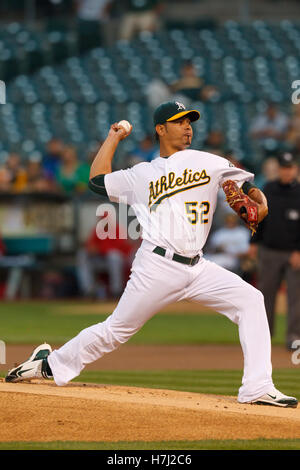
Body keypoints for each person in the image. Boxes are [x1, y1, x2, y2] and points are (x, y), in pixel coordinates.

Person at [5, 101, 297, 408]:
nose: (187, 127)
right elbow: (95, 180)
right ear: (160, 129)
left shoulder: (209, 161)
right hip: (157, 266)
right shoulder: (141, 174)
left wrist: (259, 201)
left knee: (251, 300)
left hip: (198, 267)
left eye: (190, 121)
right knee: (115, 331)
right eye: (179, 121)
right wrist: (114, 137)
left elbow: (249, 188)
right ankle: (47, 365)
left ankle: (258, 387)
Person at [248, 151, 300, 351]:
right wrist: (254, 242)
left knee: (295, 297)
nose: (286, 172)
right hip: (269, 251)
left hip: (293, 253)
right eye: (283, 168)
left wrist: (298, 250)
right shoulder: (268, 188)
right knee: (265, 295)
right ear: (279, 169)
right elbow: (259, 217)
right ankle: (264, 337)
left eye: (289, 167)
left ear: (294, 169)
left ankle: (294, 337)